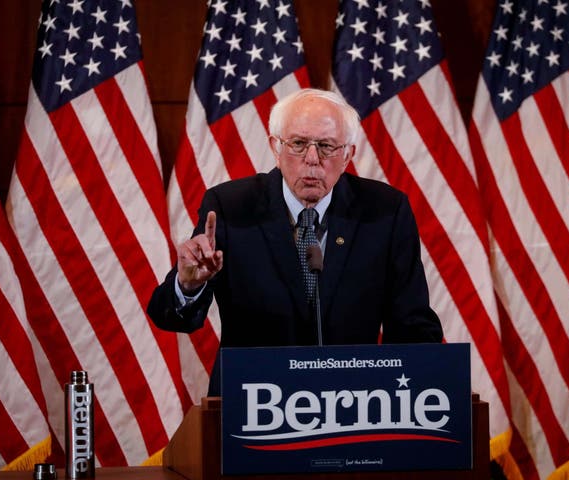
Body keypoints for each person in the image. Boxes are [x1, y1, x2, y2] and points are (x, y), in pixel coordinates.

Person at [147, 88, 442, 394]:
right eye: (299, 144)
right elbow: (168, 316)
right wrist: (189, 286)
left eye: (327, 146)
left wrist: (419, 394)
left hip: (355, 405)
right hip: (252, 402)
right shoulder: (230, 207)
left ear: (348, 155)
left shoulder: (384, 212)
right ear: (276, 147)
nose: (312, 159)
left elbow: (413, 326)